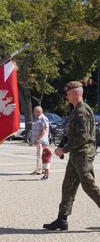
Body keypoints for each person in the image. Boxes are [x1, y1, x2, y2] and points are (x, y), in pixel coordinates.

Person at [43, 81, 100, 231]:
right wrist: (63, 146)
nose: (66, 95)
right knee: (68, 187)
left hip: (83, 155)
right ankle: (62, 220)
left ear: (76, 93)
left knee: (90, 187)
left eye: (68, 92)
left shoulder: (82, 111)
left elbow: (83, 136)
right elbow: (72, 133)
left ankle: (62, 219)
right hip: (76, 155)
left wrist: (64, 149)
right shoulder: (75, 110)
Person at [30, 106, 50, 175]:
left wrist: (38, 138)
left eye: (35, 111)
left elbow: (44, 129)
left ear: (39, 111)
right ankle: (41, 169)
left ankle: (39, 170)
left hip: (41, 141)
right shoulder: (36, 118)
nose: (33, 112)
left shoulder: (43, 118)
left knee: (40, 155)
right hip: (38, 141)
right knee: (39, 155)